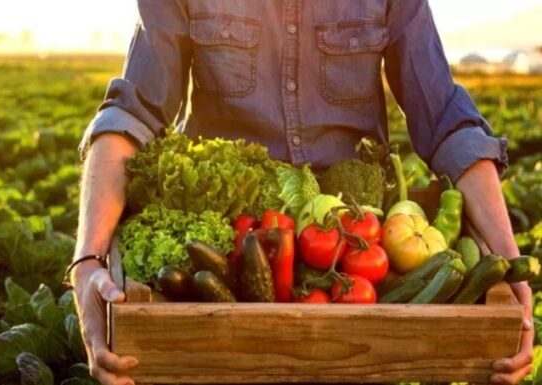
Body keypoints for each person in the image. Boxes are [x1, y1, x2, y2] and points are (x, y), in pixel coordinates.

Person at [68, 1, 533, 385]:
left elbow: (449, 122)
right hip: (227, 248)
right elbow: (130, 115)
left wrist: (509, 266)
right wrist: (88, 261)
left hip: (356, 245)